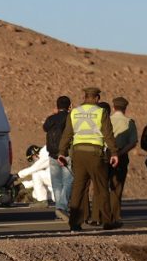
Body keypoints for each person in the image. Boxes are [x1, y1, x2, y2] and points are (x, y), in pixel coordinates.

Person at [58, 87, 119, 231]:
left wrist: (61, 152)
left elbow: (67, 134)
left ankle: (74, 223)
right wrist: (114, 153)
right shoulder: (101, 112)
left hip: (78, 154)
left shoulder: (74, 112)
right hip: (95, 154)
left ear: (85, 97)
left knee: (78, 188)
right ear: (97, 98)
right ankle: (107, 222)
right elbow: (108, 134)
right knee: (101, 187)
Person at [109, 97, 138, 225]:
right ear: (125, 108)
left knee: (103, 185)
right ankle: (115, 216)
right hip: (121, 156)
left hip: (106, 155)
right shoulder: (129, 122)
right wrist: (120, 153)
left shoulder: (106, 120)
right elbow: (133, 142)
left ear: (113, 107)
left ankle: (100, 215)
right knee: (117, 186)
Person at [43, 96, 73, 220]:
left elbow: (45, 128)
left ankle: (58, 210)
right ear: (69, 106)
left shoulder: (51, 119)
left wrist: (52, 114)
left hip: (52, 154)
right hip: (65, 154)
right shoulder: (70, 117)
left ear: (57, 106)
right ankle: (62, 207)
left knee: (56, 183)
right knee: (68, 180)